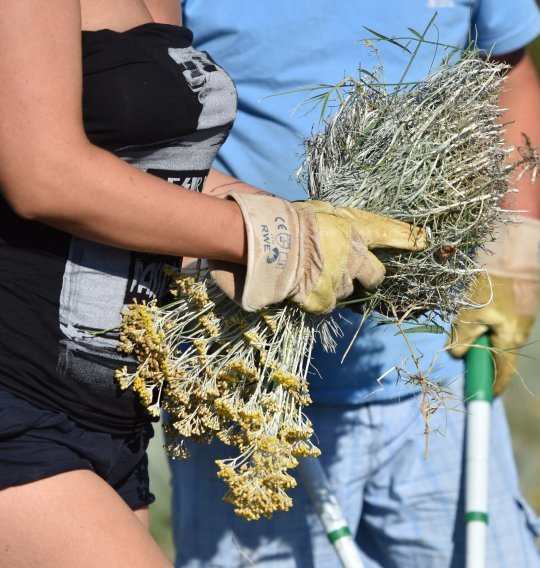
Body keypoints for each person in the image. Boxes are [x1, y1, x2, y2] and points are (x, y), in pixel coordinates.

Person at [0, 1, 423, 565]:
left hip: (107, 414)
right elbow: (43, 173)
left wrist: (294, 218)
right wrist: (275, 241)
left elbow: (148, 163)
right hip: (16, 394)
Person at [173, 1, 540, 566]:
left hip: (438, 384)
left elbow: (511, 76)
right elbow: (143, 131)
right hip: (251, 394)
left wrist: (513, 259)